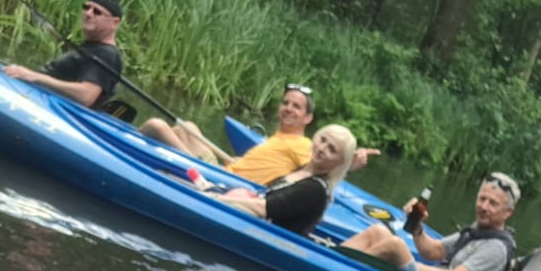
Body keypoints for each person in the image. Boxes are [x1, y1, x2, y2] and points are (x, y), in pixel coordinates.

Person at [340, 173, 520, 271]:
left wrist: (407, 263)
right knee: (378, 231)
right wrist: (417, 227)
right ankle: (336, 257)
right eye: (482, 199)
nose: (484, 207)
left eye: (493, 203)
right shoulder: (476, 230)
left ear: (508, 213)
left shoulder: (496, 248)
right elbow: (434, 251)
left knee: (396, 247)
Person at [143, 83, 376, 180]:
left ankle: (178, 164)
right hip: (227, 168)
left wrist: (350, 164)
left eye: (296, 107)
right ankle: (166, 162)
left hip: (225, 180)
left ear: (308, 118)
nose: (288, 109)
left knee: (157, 126)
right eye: (286, 103)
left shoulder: (305, 146)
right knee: (189, 128)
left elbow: (318, 169)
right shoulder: (278, 137)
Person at [219, 124, 357, 236]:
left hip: (269, 238)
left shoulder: (315, 189)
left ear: (340, 162)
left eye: (331, 149)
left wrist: (216, 199)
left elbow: (264, 208)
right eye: (322, 140)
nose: (321, 148)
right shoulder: (302, 171)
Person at [2, 0, 124, 110]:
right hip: (39, 96)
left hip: (51, 107)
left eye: (97, 12)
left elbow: (86, 96)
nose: (88, 13)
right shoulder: (92, 48)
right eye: (86, 7)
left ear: (115, 22)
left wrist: (35, 77)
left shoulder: (106, 54)